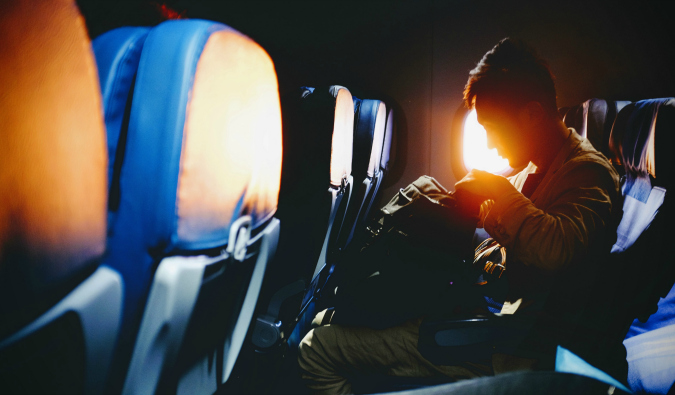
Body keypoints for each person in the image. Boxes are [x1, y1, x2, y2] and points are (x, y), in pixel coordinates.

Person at [297, 38, 622, 394]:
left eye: (493, 128)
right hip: (484, 314)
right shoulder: (538, 168)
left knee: (317, 350)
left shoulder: (588, 173)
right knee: (333, 316)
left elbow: (556, 248)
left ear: (531, 114)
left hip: (507, 345)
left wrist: (496, 189)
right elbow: (513, 228)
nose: (492, 144)